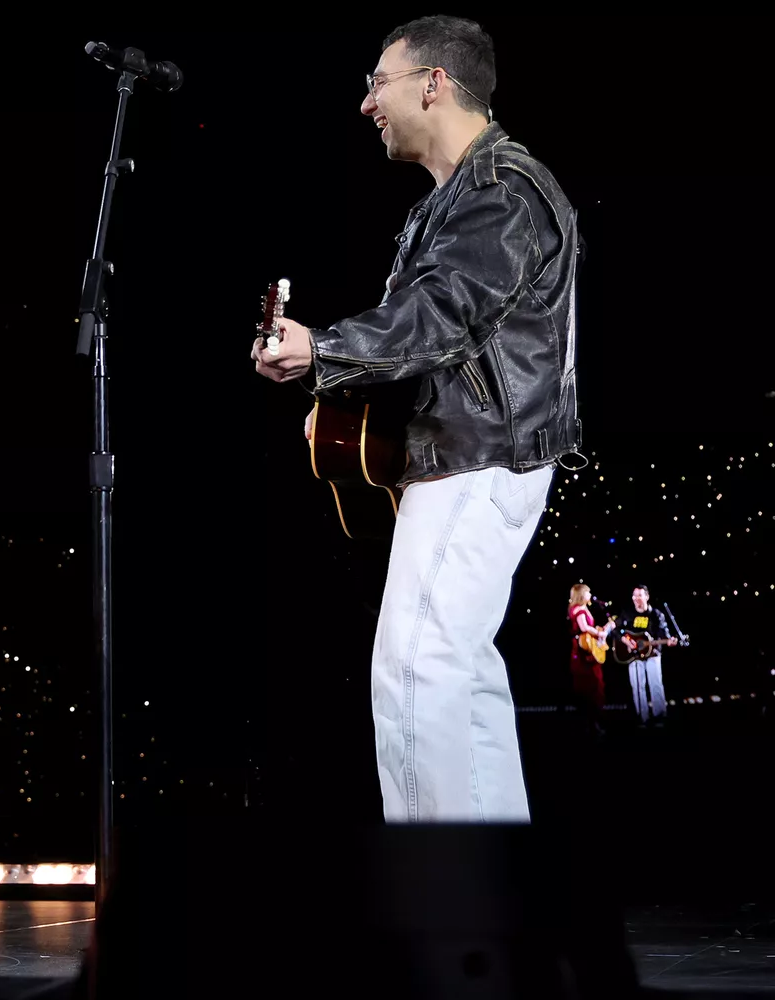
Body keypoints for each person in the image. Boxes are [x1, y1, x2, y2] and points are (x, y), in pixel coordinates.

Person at [251, 15, 582, 822]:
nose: (367, 103)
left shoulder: (502, 191)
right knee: (458, 679)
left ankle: (444, 905)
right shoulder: (455, 201)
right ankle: (492, 903)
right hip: (471, 461)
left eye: (378, 82)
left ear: (433, 82)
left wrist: (323, 352)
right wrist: (337, 389)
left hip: (480, 463)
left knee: (419, 674)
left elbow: (443, 316)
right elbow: (437, 339)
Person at [619, 584, 678, 725]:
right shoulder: (627, 613)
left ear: (647, 597)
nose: (636, 599)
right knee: (637, 687)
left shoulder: (656, 615)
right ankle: (642, 717)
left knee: (656, 684)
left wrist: (668, 640)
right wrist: (626, 641)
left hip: (653, 654)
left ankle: (659, 716)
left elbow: (664, 633)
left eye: (639, 595)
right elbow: (618, 630)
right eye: (634, 595)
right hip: (634, 655)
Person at [567, 584, 614, 734]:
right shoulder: (579, 610)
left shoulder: (582, 608)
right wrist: (599, 633)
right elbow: (584, 627)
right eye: (588, 592)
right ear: (581, 594)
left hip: (585, 649)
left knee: (592, 686)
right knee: (590, 686)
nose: (590, 595)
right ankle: (591, 724)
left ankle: (593, 722)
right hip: (583, 653)